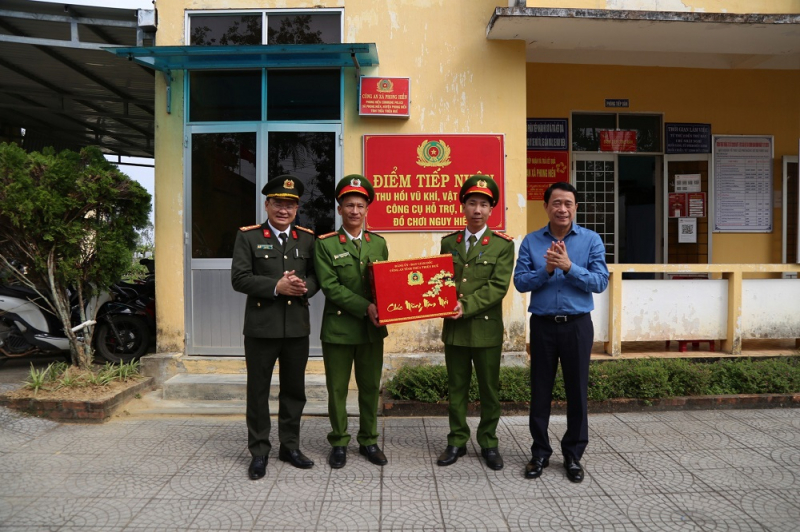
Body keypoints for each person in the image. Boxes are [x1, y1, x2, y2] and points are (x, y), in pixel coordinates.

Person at [513, 181, 608, 483]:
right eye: (556, 203)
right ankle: (539, 452)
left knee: (577, 391)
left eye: (568, 203)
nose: (562, 208)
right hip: (542, 326)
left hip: (578, 326)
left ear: (575, 207)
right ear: (546, 207)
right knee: (540, 390)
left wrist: (569, 267)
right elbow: (520, 282)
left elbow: (600, 281)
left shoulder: (591, 241)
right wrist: (547, 270)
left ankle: (573, 454)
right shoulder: (531, 241)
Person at [231, 174, 319, 480]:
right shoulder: (248, 236)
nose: (284, 210)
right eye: (278, 203)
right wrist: (276, 286)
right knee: (258, 392)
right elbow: (239, 278)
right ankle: (258, 451)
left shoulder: (307, 238)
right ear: (267, 205)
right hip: (261, 328)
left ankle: (290, 446)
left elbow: (316, 277)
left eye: (290, 205)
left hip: (296, 328)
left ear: (297, 209)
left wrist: (302, 286)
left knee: (294, 391)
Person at [436, 175, 514, 471]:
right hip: (455, 330)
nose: (477, 209)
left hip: (485, 329)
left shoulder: (502, 245)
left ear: (491, 209)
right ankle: (457, 440)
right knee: (456, 388)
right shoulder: (448, 242)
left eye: (483, 204)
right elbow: (439, 281)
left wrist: (464, 305)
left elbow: (498, 286)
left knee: (488, 390)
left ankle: (489, 442)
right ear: (463, 207)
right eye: (472, 203)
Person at [315, 174, 389, 469]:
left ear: (367, 209)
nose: (355, 210)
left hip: (372, 330)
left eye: (360, 205)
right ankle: (339, 442)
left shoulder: (378, 243)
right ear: (339, 209)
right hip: (339, 329)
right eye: (349, 205)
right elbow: (330, 287)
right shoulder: (326, 245)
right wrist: (366, 306)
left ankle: (369, 440)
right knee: (337, 388)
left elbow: (385, 283)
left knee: (370, 386)